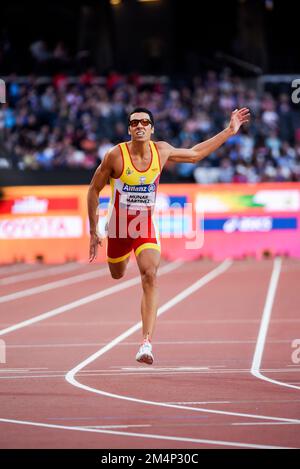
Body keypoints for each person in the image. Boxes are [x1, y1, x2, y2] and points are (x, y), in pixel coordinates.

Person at [87, 106, 250, 365]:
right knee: (116, 273)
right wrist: (93, 229)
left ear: (152, 128)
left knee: (150, 275)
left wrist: (229, 131)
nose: (140, 126)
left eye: (145, 122)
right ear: (129, 129)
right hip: (118, 226)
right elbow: (94, 190)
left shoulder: (161, 150)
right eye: (135, 123)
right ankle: (124, 256)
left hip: (144, 224)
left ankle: (146, 343)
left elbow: (195, 154)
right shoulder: (115, 156)